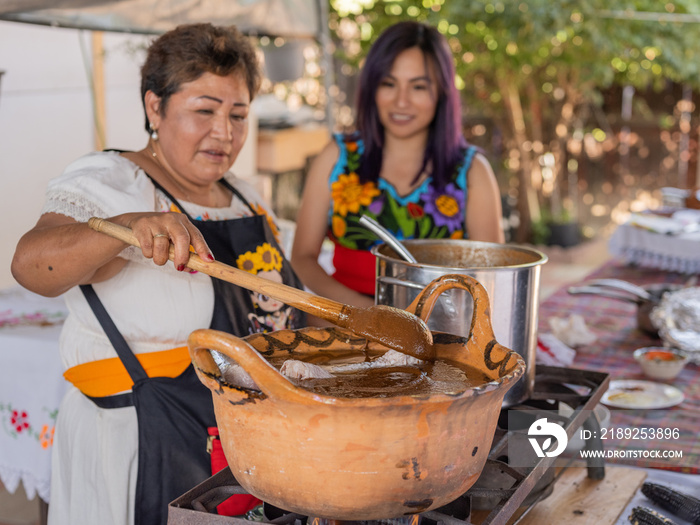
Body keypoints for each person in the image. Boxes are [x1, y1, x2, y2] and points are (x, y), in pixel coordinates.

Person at [11, 23, 305, 525]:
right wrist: (125, 227)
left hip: (240, 437)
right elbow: (32, 264)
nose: (225, 132)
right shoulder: (110, 182)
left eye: (238, 114)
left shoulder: (244, 196)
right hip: (138, 439)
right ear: (154, 107)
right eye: (205, 111)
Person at [291, 21, 504, 308]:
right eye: (388, 84)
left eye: (418, 87)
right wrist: (367, 315)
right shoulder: (336, 157)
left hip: (440, 333)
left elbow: (493, 279)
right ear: (371, 88)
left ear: (441, 92)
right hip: (346, 323)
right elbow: (302, 258)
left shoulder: (472, 171)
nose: (401, 101)